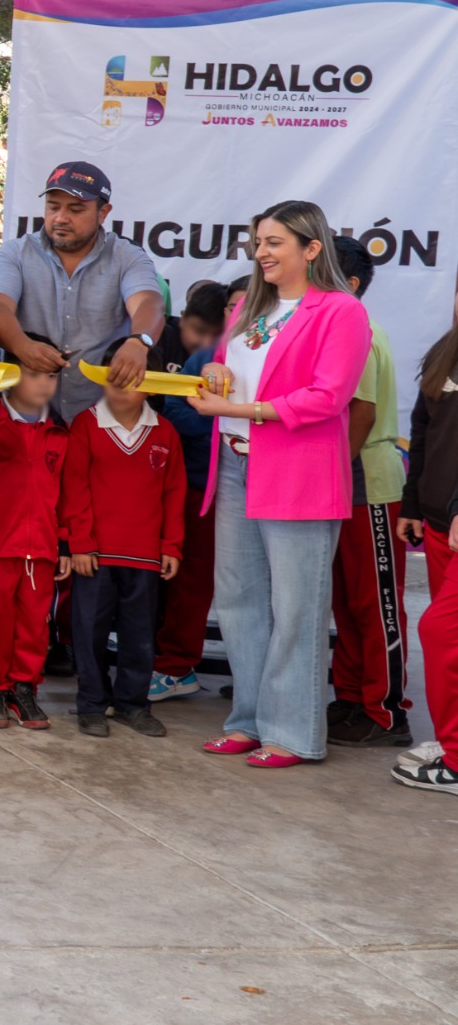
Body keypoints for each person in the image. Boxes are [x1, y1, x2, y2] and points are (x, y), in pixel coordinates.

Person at [188, 201, 373, 769]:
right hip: (236, 465)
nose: (262, 253)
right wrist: (215, 374)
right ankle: (248, 720)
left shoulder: (340, 312)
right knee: (240, 602)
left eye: (274, 243)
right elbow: (220, 368)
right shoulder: (246, 305)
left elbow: (327, 397)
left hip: (298, 473)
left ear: (311, 248)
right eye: (258, 242)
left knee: (296, 608)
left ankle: (292, 733)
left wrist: (244, 406)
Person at [0, 160, 162, 423]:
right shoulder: (14, 253)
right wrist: (22, 346)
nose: (61, 218)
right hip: (25, 421)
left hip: (102, 421)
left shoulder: (128, 257)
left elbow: (149, 302)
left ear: (103, 213)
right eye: (53, 207)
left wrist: (138, 342)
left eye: (76, 209)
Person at [62, 361, 187, 739]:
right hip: (96, 554)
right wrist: (80, 543)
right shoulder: (86, 424)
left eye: (131, 382)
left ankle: (134, 704)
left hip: (145, 554)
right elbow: (75, 487)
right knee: (88, 631)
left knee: (140, 634)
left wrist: (171, 545)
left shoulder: (166, 432)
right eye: (113, 380)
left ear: (150, 389)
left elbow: (174, 493)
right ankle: (92, 704)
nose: (120, 388)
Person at [327, 237, 409, 749]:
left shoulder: (362, 330)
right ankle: (353, 696)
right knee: (346, 602)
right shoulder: (335, 326)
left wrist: (330, 472)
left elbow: (362, 411)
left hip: (369, 484)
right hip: (342, 482)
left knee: (375, 604)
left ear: (350, 285)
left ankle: (386, 712)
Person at [0, 345, 66, 732]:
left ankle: (24, 687)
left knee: (35, 624)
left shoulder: (61, 433)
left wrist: (64, 543)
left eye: (51, 375)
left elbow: (69, 495)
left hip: (42, 550)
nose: (43, 384)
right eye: (33, 373)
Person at [151, 280, 232, 703]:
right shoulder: (207, 359)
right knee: (182, 577)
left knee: (229, 586)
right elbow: (174, 410)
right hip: (198, 486)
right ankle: (171, 665)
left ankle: (182, 665)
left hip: (254, 492)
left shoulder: (278, 355)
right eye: (234, 308)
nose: (242, 315)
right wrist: (221, 421)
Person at [394, 300, 458, 795]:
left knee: (441, 632)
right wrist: (412, 504)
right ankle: (449, 741)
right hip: (437, 524)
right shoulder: (446, 352)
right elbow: (422, 428)